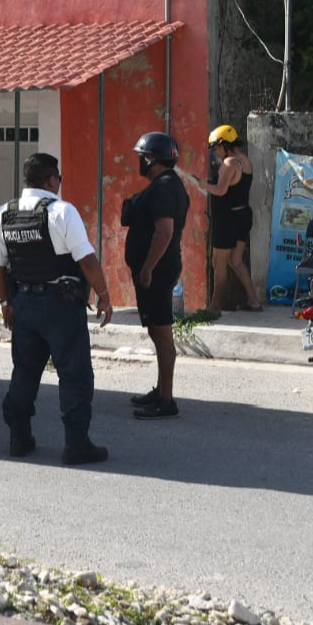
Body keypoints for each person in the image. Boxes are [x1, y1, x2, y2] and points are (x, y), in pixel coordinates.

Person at [0, 152, 113, 466]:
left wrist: (6, 302)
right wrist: (104, 295)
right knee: (74, 375)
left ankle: (19, 438)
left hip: (24, 305)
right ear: (52, 179)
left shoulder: (5, 213)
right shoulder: (62, 212)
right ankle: (76, 445)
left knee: (25, 373)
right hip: (61, 305)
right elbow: (86, 260)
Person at [123, 132, 190, 420]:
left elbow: (164, 231)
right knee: (155, 330)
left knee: (162, 334)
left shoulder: (164, 188)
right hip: (158, 270)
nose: (140, 161)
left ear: (151, 159)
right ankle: (161, 390)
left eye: (142, 157)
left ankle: (166, 399)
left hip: (157, 272)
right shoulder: (168, 185)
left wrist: (148, 268)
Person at [205, 124, 263, 315]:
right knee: (235, 260)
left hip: (228, 219)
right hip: (243, 216)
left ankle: (214, 306)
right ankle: (254, 301)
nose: (216, 151)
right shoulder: (246, 161)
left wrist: (202, 183)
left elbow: (220, 190)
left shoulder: (229, 163)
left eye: (216, 147)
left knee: (218, 263)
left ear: (224, 145)